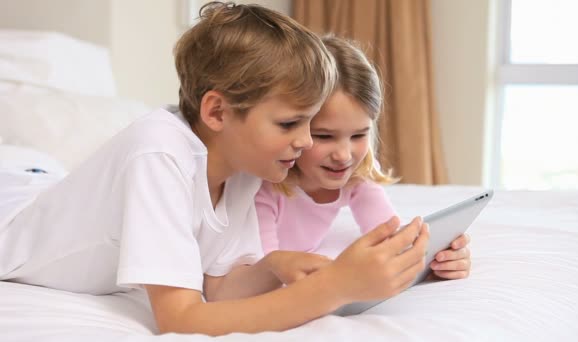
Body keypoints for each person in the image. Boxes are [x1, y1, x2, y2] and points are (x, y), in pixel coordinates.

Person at [0, 2, 429, 336]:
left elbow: (220, 288)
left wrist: (275, 265)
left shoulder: (244, 167)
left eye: (309, 123)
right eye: (289, 123)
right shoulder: (159, 153)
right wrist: (333, 288)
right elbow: (180, 320)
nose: (303, 141)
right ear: (218, 111)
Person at [256, 35, 471, 281]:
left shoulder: (355, 178)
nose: (343, 156)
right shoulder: (264, 188)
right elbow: (264, 270)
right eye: (324, 136)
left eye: (359, 135)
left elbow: (389, 236)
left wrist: (440, 258)